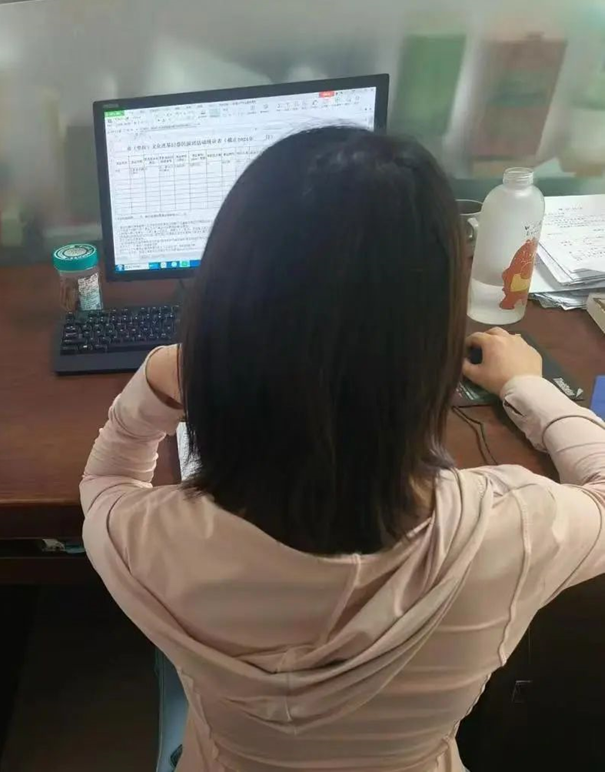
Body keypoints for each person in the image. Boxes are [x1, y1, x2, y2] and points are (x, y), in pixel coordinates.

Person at [80, 126, 605, 772]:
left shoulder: (148, 541)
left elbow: (103, 484)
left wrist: (156, 381)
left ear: (220, 320)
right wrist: (527, 385)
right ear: (430, 335)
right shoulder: (513, 530)